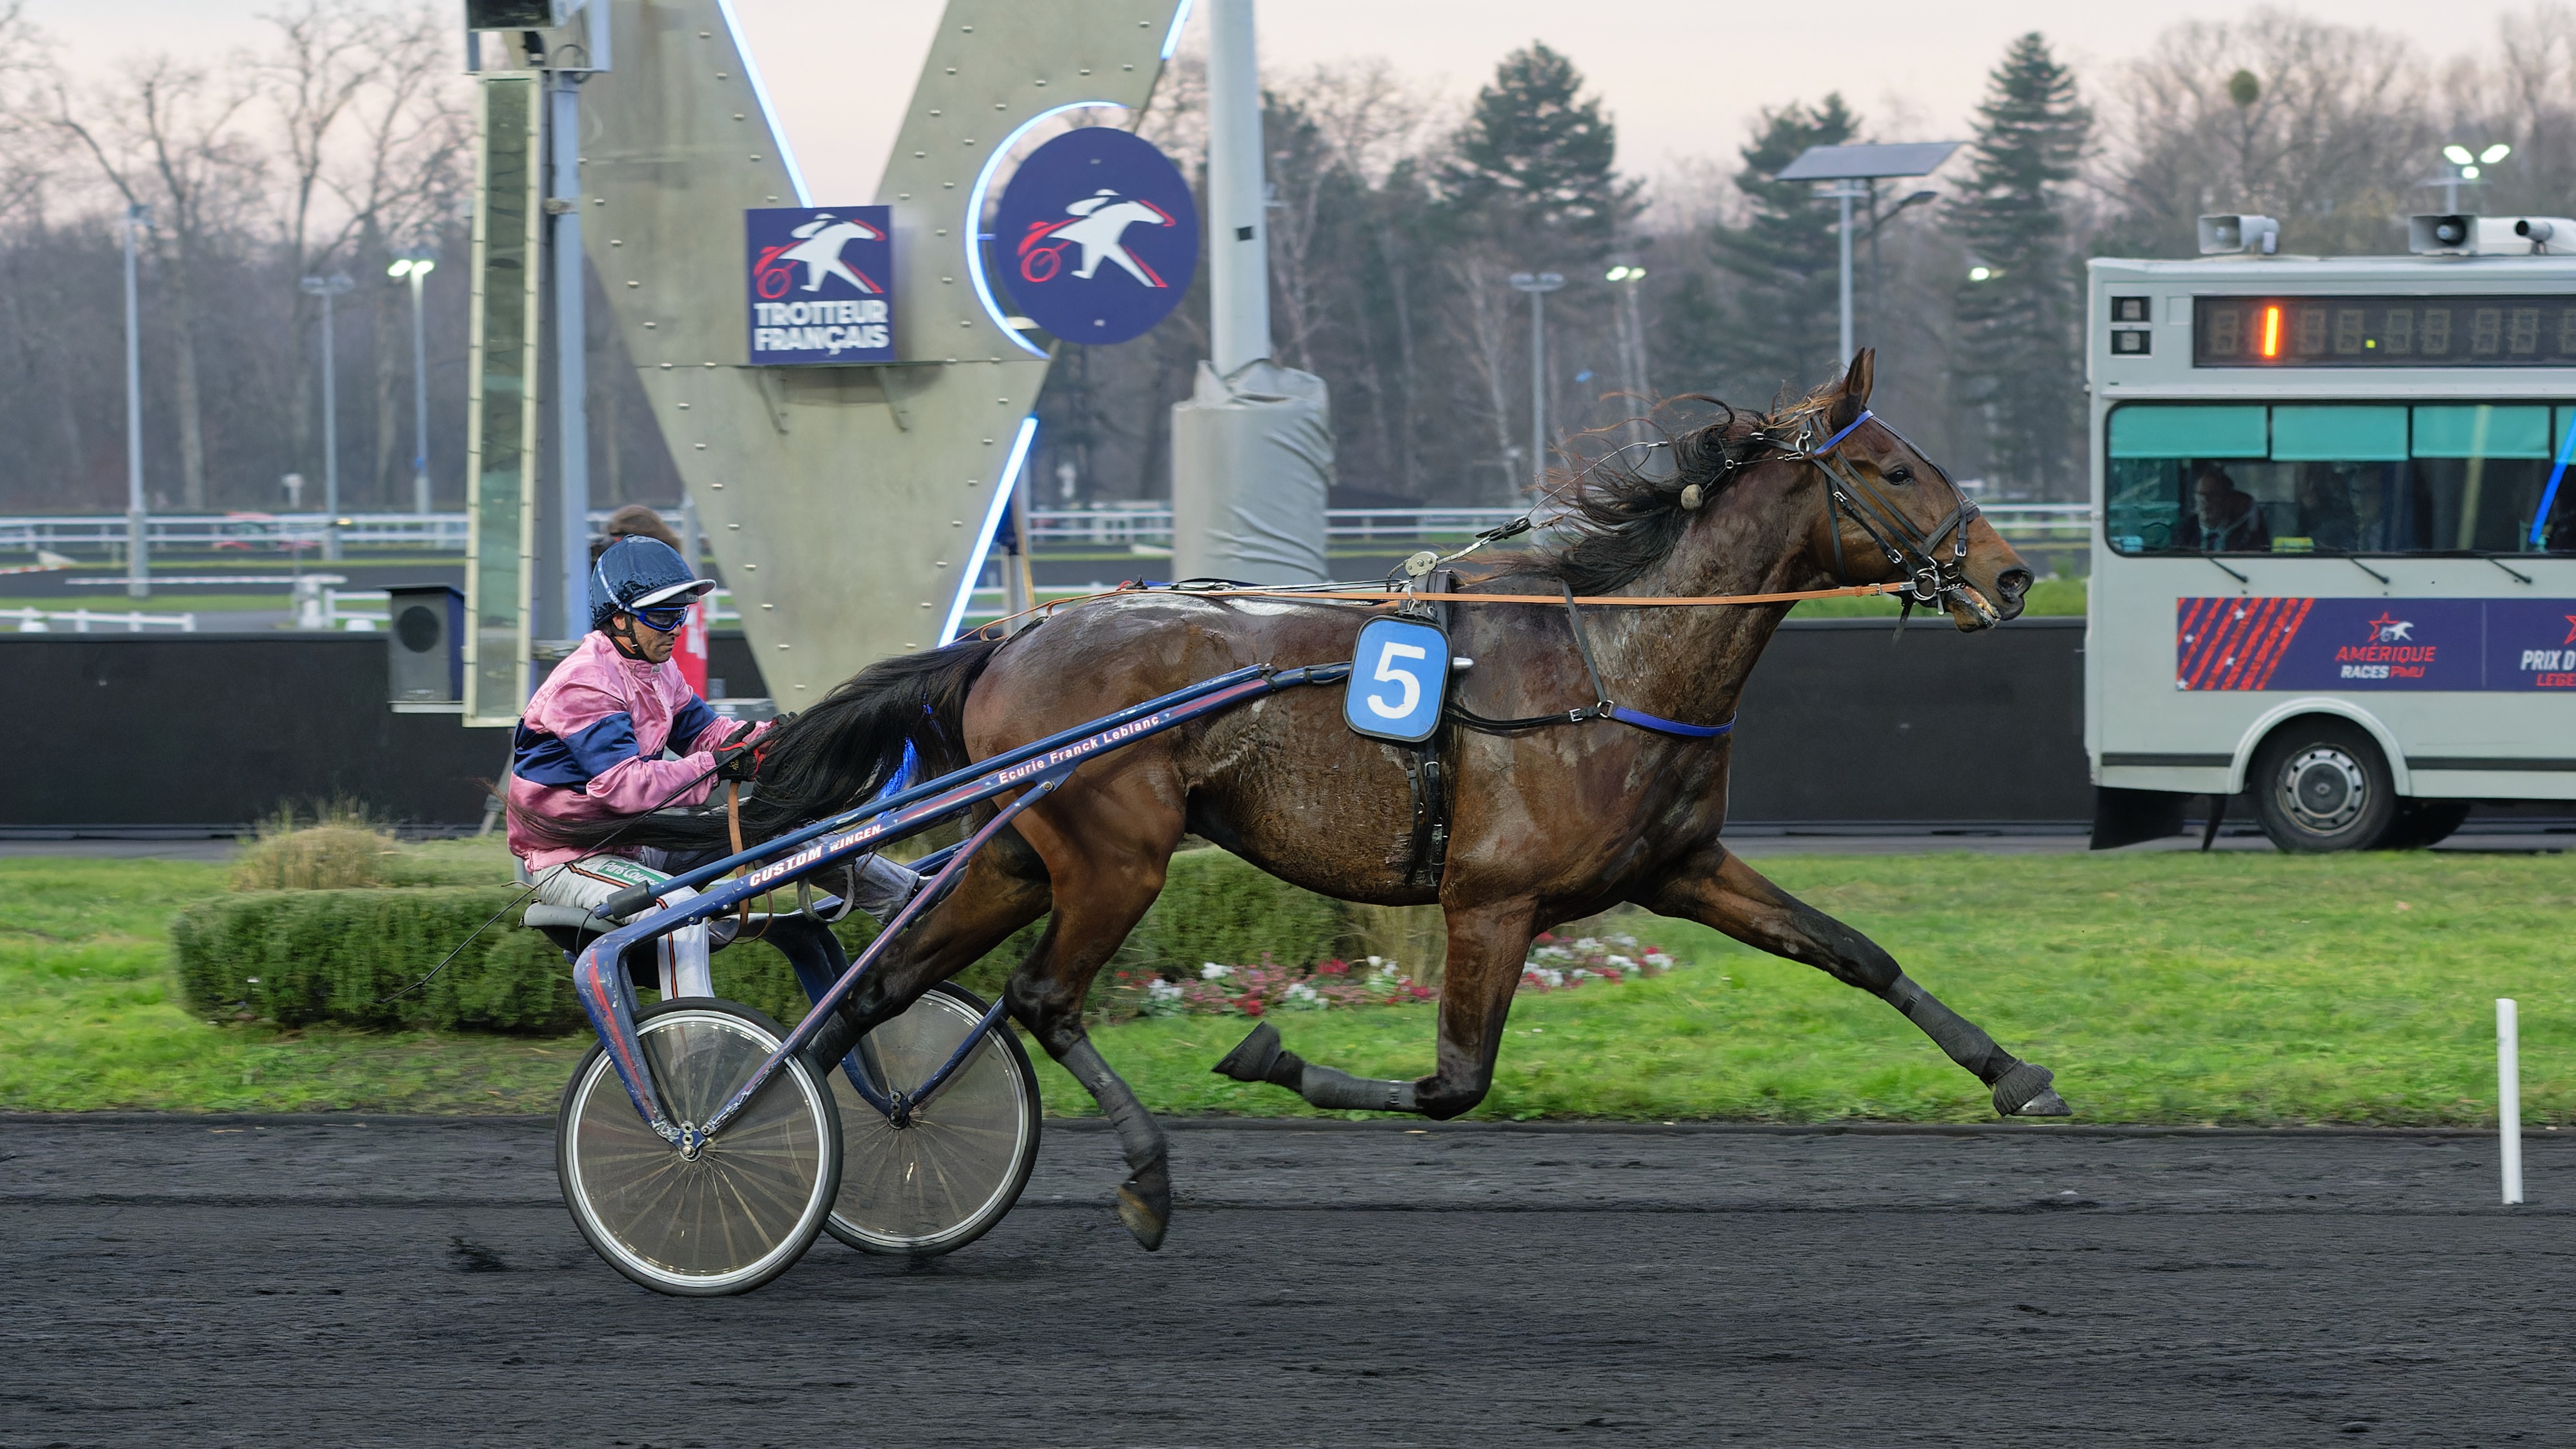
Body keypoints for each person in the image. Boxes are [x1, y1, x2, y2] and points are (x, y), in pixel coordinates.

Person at [507, 535, 917, 997]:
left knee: (773, 825)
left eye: (680, 614)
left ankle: (912, 899)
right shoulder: (585, 684)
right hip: (573, 860)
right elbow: (625, 787)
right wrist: (719, 765)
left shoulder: (657, 670)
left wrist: (775, 739)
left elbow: (710, 733)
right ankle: (691, 1035)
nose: (675, 628)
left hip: (636, 845)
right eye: (663, 615)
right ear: (619, 618)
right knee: (677, 906)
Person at [2182, 465, 2271, 552]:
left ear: (2225, 499)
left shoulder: (2247, 532)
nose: (2205, 502)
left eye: (2212, 495)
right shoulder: (2186, 531)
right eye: (2200, 495)